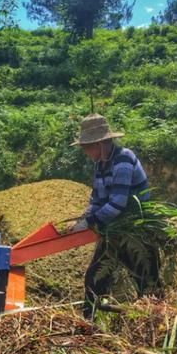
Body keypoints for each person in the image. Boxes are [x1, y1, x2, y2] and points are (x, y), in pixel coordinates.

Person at [70, 113, 161, 320]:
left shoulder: (123, 159)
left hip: (135, 230)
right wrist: (84, 219)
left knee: (147, 284)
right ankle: (88, 327)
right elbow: (97, 200)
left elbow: (117, 204)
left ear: (102, 143)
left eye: (87, 146)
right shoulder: (100, 165)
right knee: (94, 281)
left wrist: (90, 223)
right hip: (114, 230)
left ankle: (153, 325)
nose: (85, 151)